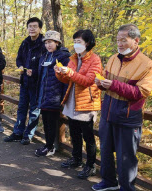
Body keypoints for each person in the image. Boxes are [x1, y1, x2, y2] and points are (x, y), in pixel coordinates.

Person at [92, 24, 152, 191]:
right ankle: (108, 181)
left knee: (126, 157)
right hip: (108, 113)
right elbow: (106, 81)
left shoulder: (147, 64)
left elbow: (140, 92)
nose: (119, 44)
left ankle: (126, 188)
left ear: (136, 41)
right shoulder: (113, 58)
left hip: (128, 117)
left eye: (123, 40)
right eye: (117, 40)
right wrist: (100, 83)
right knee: (105, 150)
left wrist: (113, 85)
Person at [55, 29, 101, 179]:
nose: (76, 44)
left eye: (79, 42)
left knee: (88, 137)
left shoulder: (95, 60)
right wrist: (60, 72)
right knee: (74, 133)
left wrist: (69, 72)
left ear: (87, 43)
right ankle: (76, 159)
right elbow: (68, 79)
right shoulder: (73, 58)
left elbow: (88, 81)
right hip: (72, 102)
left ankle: (90, 165)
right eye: (74, 41)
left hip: (87, 103)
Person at [4, 17, 46, 144]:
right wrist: (20, 66)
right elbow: (19, 59)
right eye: (30, 26)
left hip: (37, 84)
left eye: (35, 26)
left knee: (34, 109)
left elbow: (46, 64)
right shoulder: (25, 43)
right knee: (21, 107)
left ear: (39, 28)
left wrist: (35, 71)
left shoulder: (44, 44)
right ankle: (17, 132)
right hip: (25, 82)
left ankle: (28, 135)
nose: (32, 29)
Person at [32, 30, 70, 156]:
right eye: (46, 42)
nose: (48, 45)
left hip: (55, 96)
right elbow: (41, 77)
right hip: (43, 95)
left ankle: (50, 147)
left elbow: (66, 80)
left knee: (52, 123)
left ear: (57, 43)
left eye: (51, 42)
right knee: (46, 121)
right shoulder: (44, 57)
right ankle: (48, 145)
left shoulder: (63, 57)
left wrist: (64, 98)